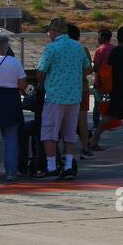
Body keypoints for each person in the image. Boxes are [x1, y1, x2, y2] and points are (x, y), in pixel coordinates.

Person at [35, 16, 92, 179]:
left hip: (55, 96)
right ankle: (68, 166)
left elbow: (40, 73)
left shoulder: (51, 48)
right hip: (74, 96)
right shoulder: (78, 47)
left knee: (49, 132)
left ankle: (51, 167)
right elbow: (88, 69)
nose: (48, 34)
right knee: (69, 133)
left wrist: (43, 82)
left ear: (54, 31)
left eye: (49, 31)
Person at [0, 30, 26, 183]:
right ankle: (11, 172)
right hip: (11, 100)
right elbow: (22, 84)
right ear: (7, 46)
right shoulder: (15, 62)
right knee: (11, 139)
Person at [67, 24, 94, 159]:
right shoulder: (82, 49)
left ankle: (65, 150)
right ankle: (85, 146)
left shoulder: (60, 49)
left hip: (65, 89)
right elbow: (89, 69)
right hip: (82, 87)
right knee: (82, 119)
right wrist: (79, 75)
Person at [91, 27, 114, 129]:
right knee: (111, 101)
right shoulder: (114, 48)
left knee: (98, 102)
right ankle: (110, 121)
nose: (98, 39)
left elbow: (96, 67)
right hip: (112, 80)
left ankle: (97, 122)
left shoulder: (99, 50)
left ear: (103, 38)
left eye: (99, 37)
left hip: (100, 80)